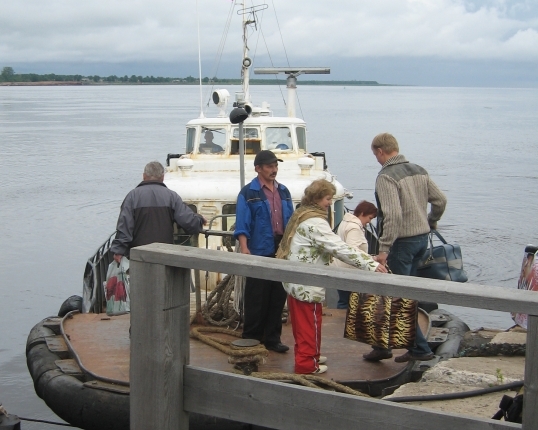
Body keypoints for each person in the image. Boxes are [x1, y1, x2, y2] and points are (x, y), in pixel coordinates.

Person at [276, 179, 388, 374]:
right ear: (318, 198)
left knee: (305, 324)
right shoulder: (315, 222)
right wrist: (371, 264)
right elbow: (338, 247)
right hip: (307, 283)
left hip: (295, 279)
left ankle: (312, 354)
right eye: (328, 199)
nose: (329, 203)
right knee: (309, 325)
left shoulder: (302, 214)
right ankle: (307, 364)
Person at [363, 133, 447, 363]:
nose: (376, 160)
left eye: (375, 155)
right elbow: (440, 200)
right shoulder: (419, 169)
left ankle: (419, 349)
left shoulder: (386, 177)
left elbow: (393, 214)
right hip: (421, 240)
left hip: (401, 243)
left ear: (380, 151)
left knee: (399, 299)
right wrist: (431, 221)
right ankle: (382, 346)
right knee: (401, 295)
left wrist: (384, 248)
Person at [234, 150, 294, 353]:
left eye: (276, 165)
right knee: (256, 295)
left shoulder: (284, 191)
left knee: (277, 294)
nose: (274, 169)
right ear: (258, 168)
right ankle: (251, 337)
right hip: (259, 248)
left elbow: (292, 221)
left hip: (280, 247)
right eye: (269, 166)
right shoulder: (248, 193)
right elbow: (242, 222)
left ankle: (272, 338)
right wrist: (244, 248)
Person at [110, 161, 206, 262]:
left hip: (138, 256)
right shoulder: (172, 197)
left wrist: (118, 251)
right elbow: (189, 222)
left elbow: (125, 226)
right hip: (164, 255)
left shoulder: (132, 197)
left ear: (143, 176)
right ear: (162, 177)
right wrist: (199, 219)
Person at [333, 200, 378, 309]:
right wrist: (372, 259)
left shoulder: (345, 223)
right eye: (370, 218)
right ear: (362, 213)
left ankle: (342, 321)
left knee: (343, 300)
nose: (369, 222)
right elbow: (352, 249)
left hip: (340, 269)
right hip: (350, 271)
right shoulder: (354, 228)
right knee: (350, 302)